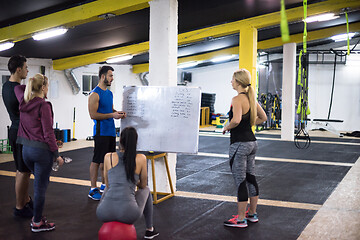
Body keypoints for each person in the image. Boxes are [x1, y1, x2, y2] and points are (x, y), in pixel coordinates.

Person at [15, 73, 64, 232]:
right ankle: (37, 222)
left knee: (38, 185)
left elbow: (18, 87)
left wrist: (31, 84)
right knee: (40, 188)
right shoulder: (44, 105)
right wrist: (57, 155)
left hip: (26, 151)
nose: (48, 89)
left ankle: (37, 217)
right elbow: (48, 133)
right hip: (41, 153)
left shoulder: (24, 101)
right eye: (47, 86)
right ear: (43, 87)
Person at [222, 69, 267, 228]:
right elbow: (264, 118)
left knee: (240, 181)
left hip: (239, 144)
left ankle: (241, 220)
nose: (231, 82)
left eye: (233, 79)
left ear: (239, 82)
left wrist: (227, 127)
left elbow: (236, 119)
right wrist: (249, 123)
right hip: (252, 143)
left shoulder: (237, 99)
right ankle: (252, 214)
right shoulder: (251, 98)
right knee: (251, 178)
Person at [96, 127, 159, 239]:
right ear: (135, 142)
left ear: (120, 141)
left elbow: (107, 183)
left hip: (103, 212)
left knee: (108, 188)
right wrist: (132, 181)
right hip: (128, 214)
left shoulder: (108, 156)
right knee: (147, 190)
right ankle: (150, 230)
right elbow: (143, 185)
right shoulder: (141, 158)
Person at [88, 66, 126, 200]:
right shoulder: (94, 94)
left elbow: (109, 109)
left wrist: (117, 113)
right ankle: (93, 188)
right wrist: (112, 115)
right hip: (101, 132)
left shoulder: (109, 93)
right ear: (103, 76)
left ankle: (104, 184)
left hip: (110, 131)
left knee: (108, 160)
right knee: (97, 160)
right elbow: (93, 115)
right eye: (110, 76)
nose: (112, 78)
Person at [2, 55, 33, 217]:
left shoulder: (6, 86)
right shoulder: (19, 89)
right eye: (26, 67)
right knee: (23, 171)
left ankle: (24, 200)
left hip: (14, 131)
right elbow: (31, 109)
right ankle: (20, 207)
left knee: (21, 170)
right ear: (18, 69)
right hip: (21, 132)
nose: (27, 70)